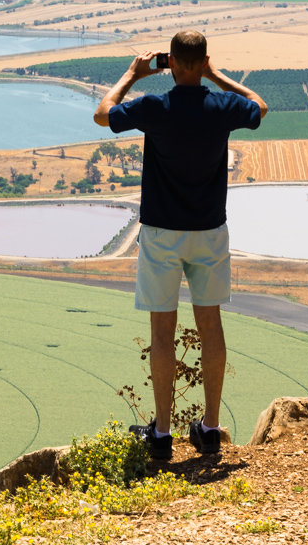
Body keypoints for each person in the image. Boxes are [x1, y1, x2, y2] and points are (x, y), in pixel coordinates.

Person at [92, 31, 267, 459]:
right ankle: (209, 427)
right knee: (211, 326)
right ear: (203, 60)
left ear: (169, 62)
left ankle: (162, 434)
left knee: (162, 332)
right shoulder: (223, 106)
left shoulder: (155, 107)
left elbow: (102, 114)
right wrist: (218, 75)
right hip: (209, 230)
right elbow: (260, 106)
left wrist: (133, 73)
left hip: (161, 233)